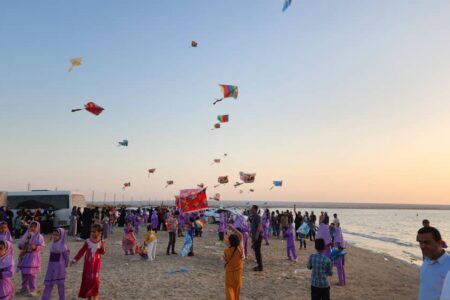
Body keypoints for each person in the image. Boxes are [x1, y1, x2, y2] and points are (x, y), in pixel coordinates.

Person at [70, 224, 106, 300]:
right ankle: (89, 297)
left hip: (96, 265)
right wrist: (74, 260)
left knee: (95, 281)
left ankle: (95, 296)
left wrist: (102, 246)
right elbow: (81, 251)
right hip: (87, 265)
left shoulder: (101, 242)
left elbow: (102, 252)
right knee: (88, 281)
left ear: (99, 232)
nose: (92, 233)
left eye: (94, 232)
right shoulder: (88, 241)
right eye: (91, 231)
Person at [417, 226, 450, 300]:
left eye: (426, 242)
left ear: (440, 243)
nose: (422, 246)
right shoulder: (426, 259)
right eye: (420, 242)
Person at [17, 221, 45, 297]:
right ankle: (24, 287)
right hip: (24, 256)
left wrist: (35, 247)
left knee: (32, 274)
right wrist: (21, 246)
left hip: (33, 257)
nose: (32, 228)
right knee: (24, 272)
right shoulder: (26, 234)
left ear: (38, 228)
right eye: (31, 226)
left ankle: (33, 289)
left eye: (34, 227)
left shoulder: (39, 236)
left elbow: (42, 246)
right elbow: (20, 243)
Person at [42, 228, 70, 300]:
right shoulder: (52, 244)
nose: (54, 236)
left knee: (60, 284)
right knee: (48, 284)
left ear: (62, 236)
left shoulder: (64, 246)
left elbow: (66, 258)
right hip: (51, 267)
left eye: (57, 235)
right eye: (54, 234)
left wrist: (65, 266)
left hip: (60, 268)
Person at [223, 224, 244, 300]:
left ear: (230, 242)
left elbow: (226, 242)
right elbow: (241, 236)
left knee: (229, 291)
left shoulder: (226, 251)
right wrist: (233, 229)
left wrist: (226, 232)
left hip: (229, 274)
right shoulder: (240, 249)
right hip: (238, 274)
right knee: (236, 292)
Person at [250, 205, 263, 271]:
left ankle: (260, 267)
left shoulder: (258, 216)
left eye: (252, 208)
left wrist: (257, 235)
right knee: (256, 250)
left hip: (257, 236)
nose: (251, 209)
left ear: (255, 209)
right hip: (255, 236)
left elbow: (259, 225)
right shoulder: (254, 216)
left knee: (257, 251)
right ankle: (258, 265)